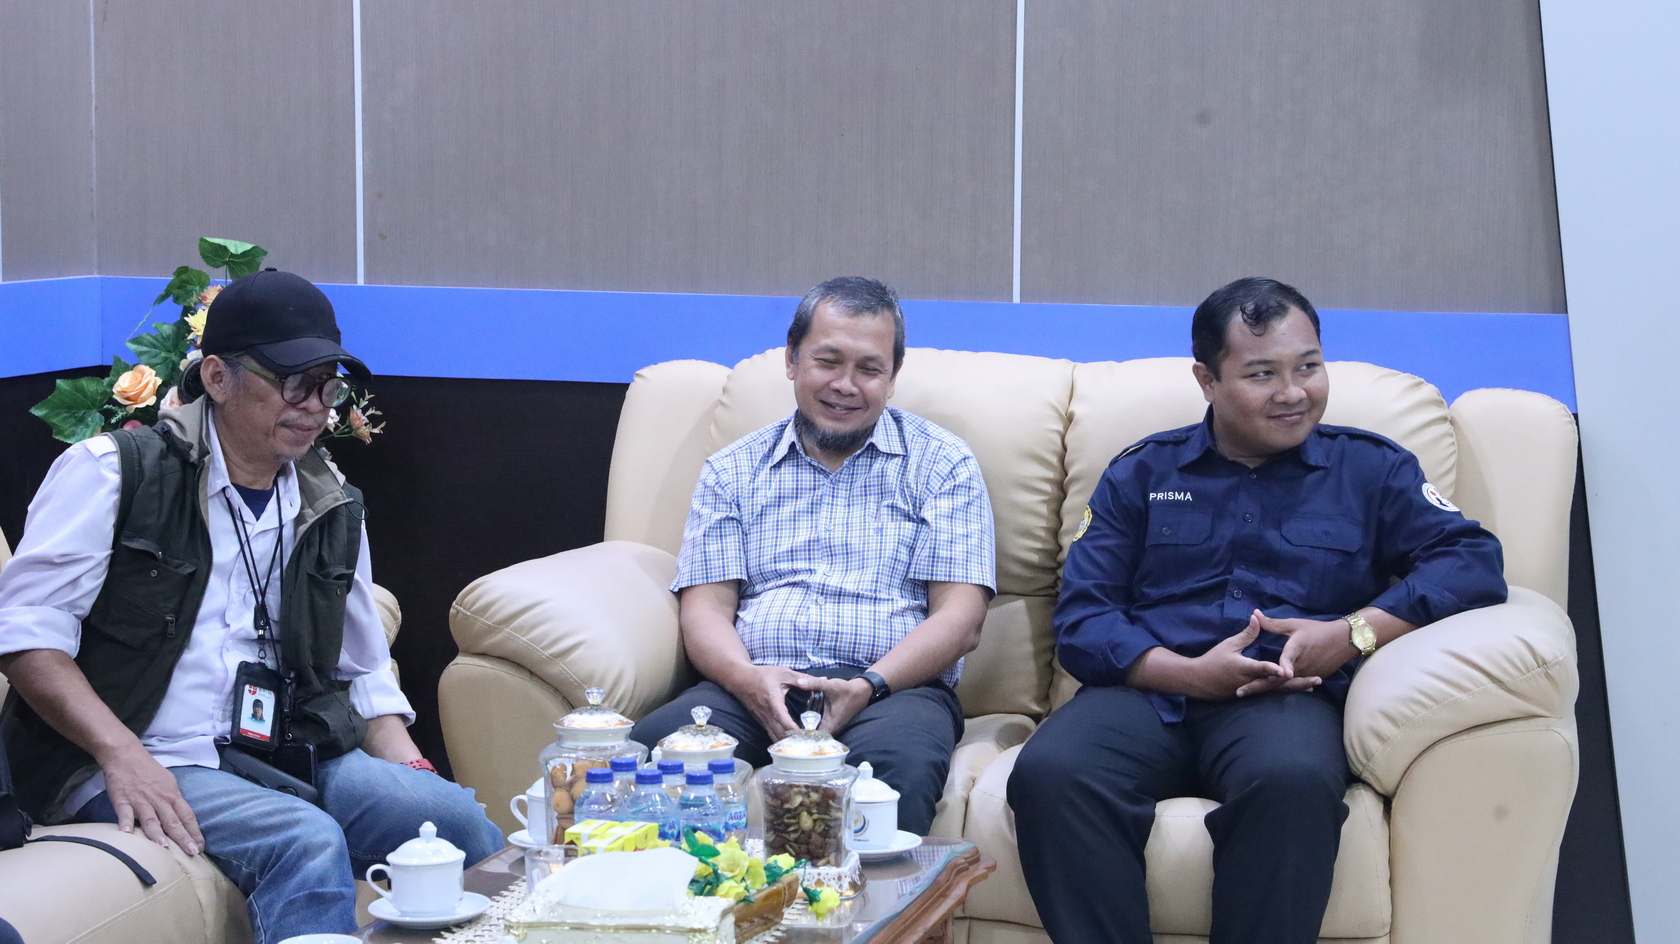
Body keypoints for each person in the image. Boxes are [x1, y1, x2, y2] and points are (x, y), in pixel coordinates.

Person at [0, 270, 502, 943]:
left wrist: (412, 771)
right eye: (294, 383)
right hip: (130, 748)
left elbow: (363, 670)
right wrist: (120, 753)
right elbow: (26, 638)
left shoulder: (330, 501)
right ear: (216, 377)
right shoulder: (113, 472)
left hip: (285, 746)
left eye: (327, 386)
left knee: (454, 822)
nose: (315, 406)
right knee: (303, 839)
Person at [1008, 277, 1507, 944]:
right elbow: (1083, 619)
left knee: (1291, 781)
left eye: (1309, 367)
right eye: (1262, 374)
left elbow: (1472, 561)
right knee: (1051, 772)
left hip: (1286, 698)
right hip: (1148, 692)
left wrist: (1354, 633)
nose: (1293, 392)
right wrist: (1187, 674)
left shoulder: (1371, 471)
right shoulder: (1143, 473)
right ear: (1207, 380)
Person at [629, 276, 996, 834]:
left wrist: (869, 685)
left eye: (869, 369)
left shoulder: (943, 464)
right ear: (792, 360)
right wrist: (746, 680)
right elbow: (705, 610)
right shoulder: (733, 469)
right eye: (828, 361)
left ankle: (872, 898)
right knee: (657, 750)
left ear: (892, 377)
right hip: (754, 684)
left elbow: (961, 618)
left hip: (891, 690)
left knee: (898, 770)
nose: (845, 385)